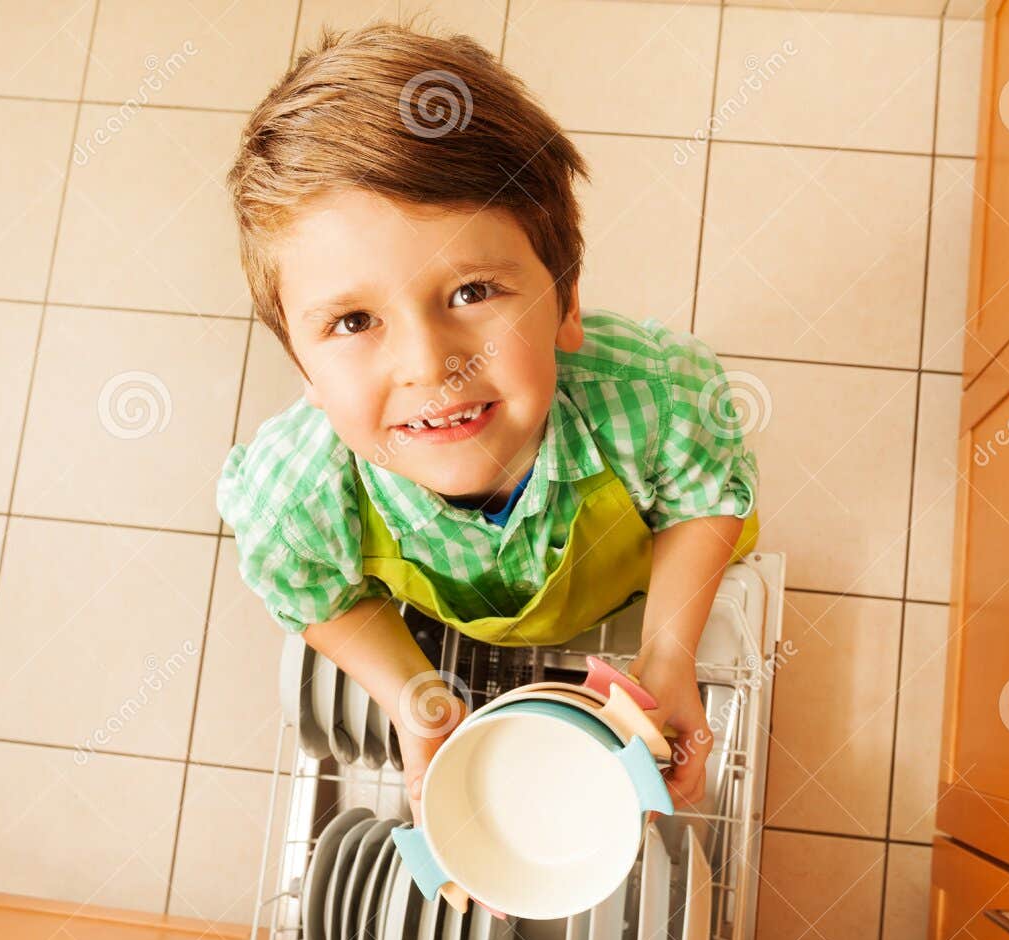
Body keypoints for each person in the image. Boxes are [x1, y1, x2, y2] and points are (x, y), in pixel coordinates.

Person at [218, 19, 760, 820]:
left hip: (628, 591)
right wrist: (413, 696)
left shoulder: (657, 395)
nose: (431, 365)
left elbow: (703, 491)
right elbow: (318, 594)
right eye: (354, 322)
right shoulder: (292, 503)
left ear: (566, 303)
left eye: (471, 292)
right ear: (303, 367)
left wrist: (669, 650)